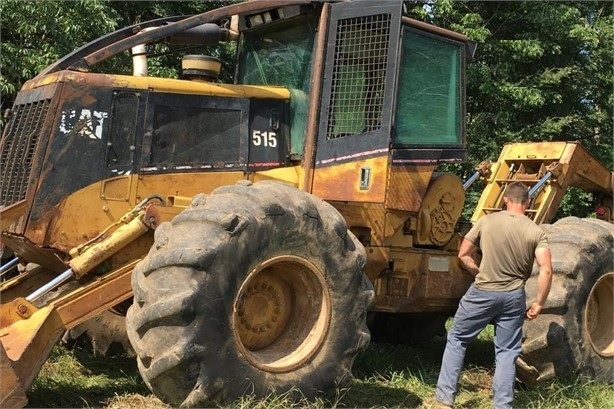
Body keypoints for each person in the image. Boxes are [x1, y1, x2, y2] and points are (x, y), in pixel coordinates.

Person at [434, 181, 553, 409]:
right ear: (527, 203)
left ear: (505, 200)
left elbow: (463, 254)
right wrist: (539, 303)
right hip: (513, 297)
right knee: (507, 352)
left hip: (482, 292)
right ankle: (502, 406)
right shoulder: (536, 231)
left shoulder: (486, 221)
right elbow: (546, 269)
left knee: (458, 339)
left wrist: (478, 271)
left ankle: (445, 401)